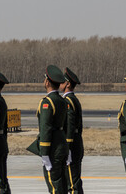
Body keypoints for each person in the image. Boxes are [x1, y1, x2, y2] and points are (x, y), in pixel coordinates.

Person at [27, 64, 69, 194]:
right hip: (62, 144)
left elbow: (45, 129)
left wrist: (44, 153)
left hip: (53, 148)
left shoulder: (47, 102)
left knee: (54, 184)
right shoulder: (62, 100)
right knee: (62, 183)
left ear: (47, 82)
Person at [63, 67, 85, 194]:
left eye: (62, 81)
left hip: (71, 145)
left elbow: (70, 126)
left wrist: (68, 147)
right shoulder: (73, 99)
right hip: (76, 142)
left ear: (68, 84)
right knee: (74, 180)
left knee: (72, 184)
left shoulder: (68, 101)